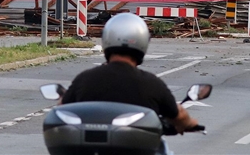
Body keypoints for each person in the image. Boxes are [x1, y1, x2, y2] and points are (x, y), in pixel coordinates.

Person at [59, 13, 199, 133]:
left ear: (107, 40)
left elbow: (61, 110)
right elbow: (178, 115)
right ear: (143, 42)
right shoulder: (152, 84)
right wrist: (190, 123)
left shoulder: (85, 79)